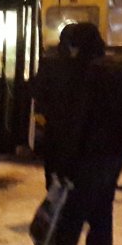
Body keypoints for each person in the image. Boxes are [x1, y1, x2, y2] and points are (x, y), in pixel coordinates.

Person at [21, 23, 122, 245]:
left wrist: (66, 162)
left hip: (88, 157)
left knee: (71, 214)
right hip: (112, 156)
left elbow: (80, 122)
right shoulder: (115, 70)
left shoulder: (88, 74)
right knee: (102, 214)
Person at [31, 25, 80, 189]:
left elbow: (38, 90)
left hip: (54, 124)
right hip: (75, 127)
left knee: (52, 166)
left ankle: (53, 197)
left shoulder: (49, 61)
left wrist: (44, 113)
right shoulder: (82, 66)